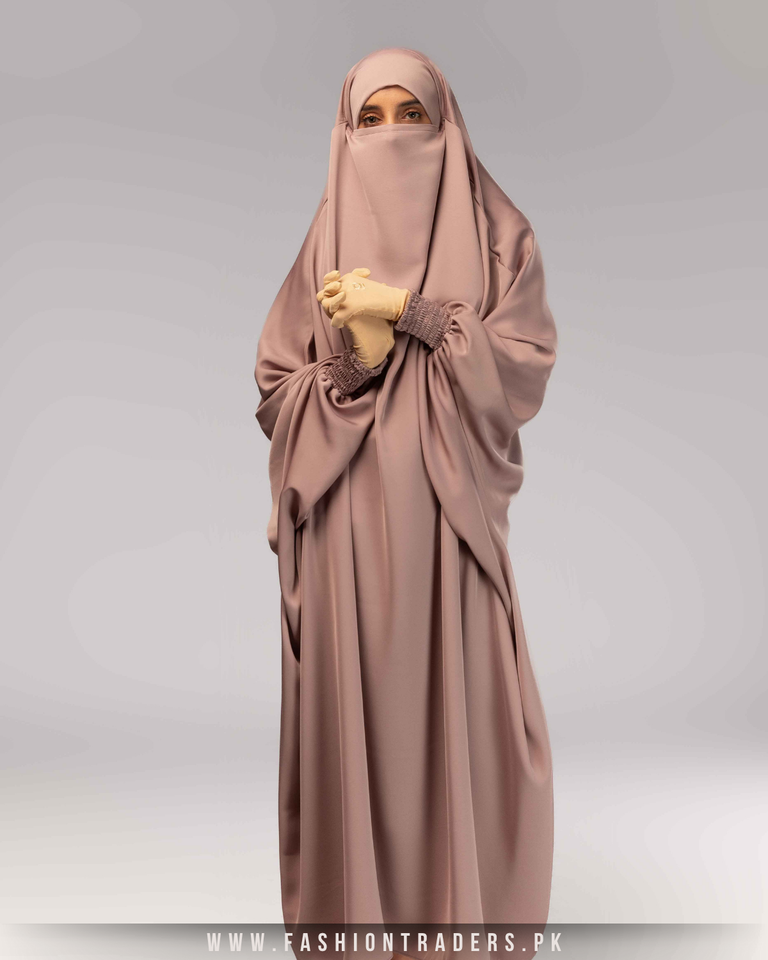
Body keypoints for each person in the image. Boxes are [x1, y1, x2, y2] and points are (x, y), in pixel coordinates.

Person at [254, 47, 558, 960]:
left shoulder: (501, 238)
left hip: (449, 529)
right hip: (347, 535)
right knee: (361, 728)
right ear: (344, 134)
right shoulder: (325, 241)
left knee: (458, 720)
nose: (390, 136)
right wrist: (360, 359)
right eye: (370, 119)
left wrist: (409, 309)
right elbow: (278, 390)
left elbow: (520, 370)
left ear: (447, 127)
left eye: (411, 116)